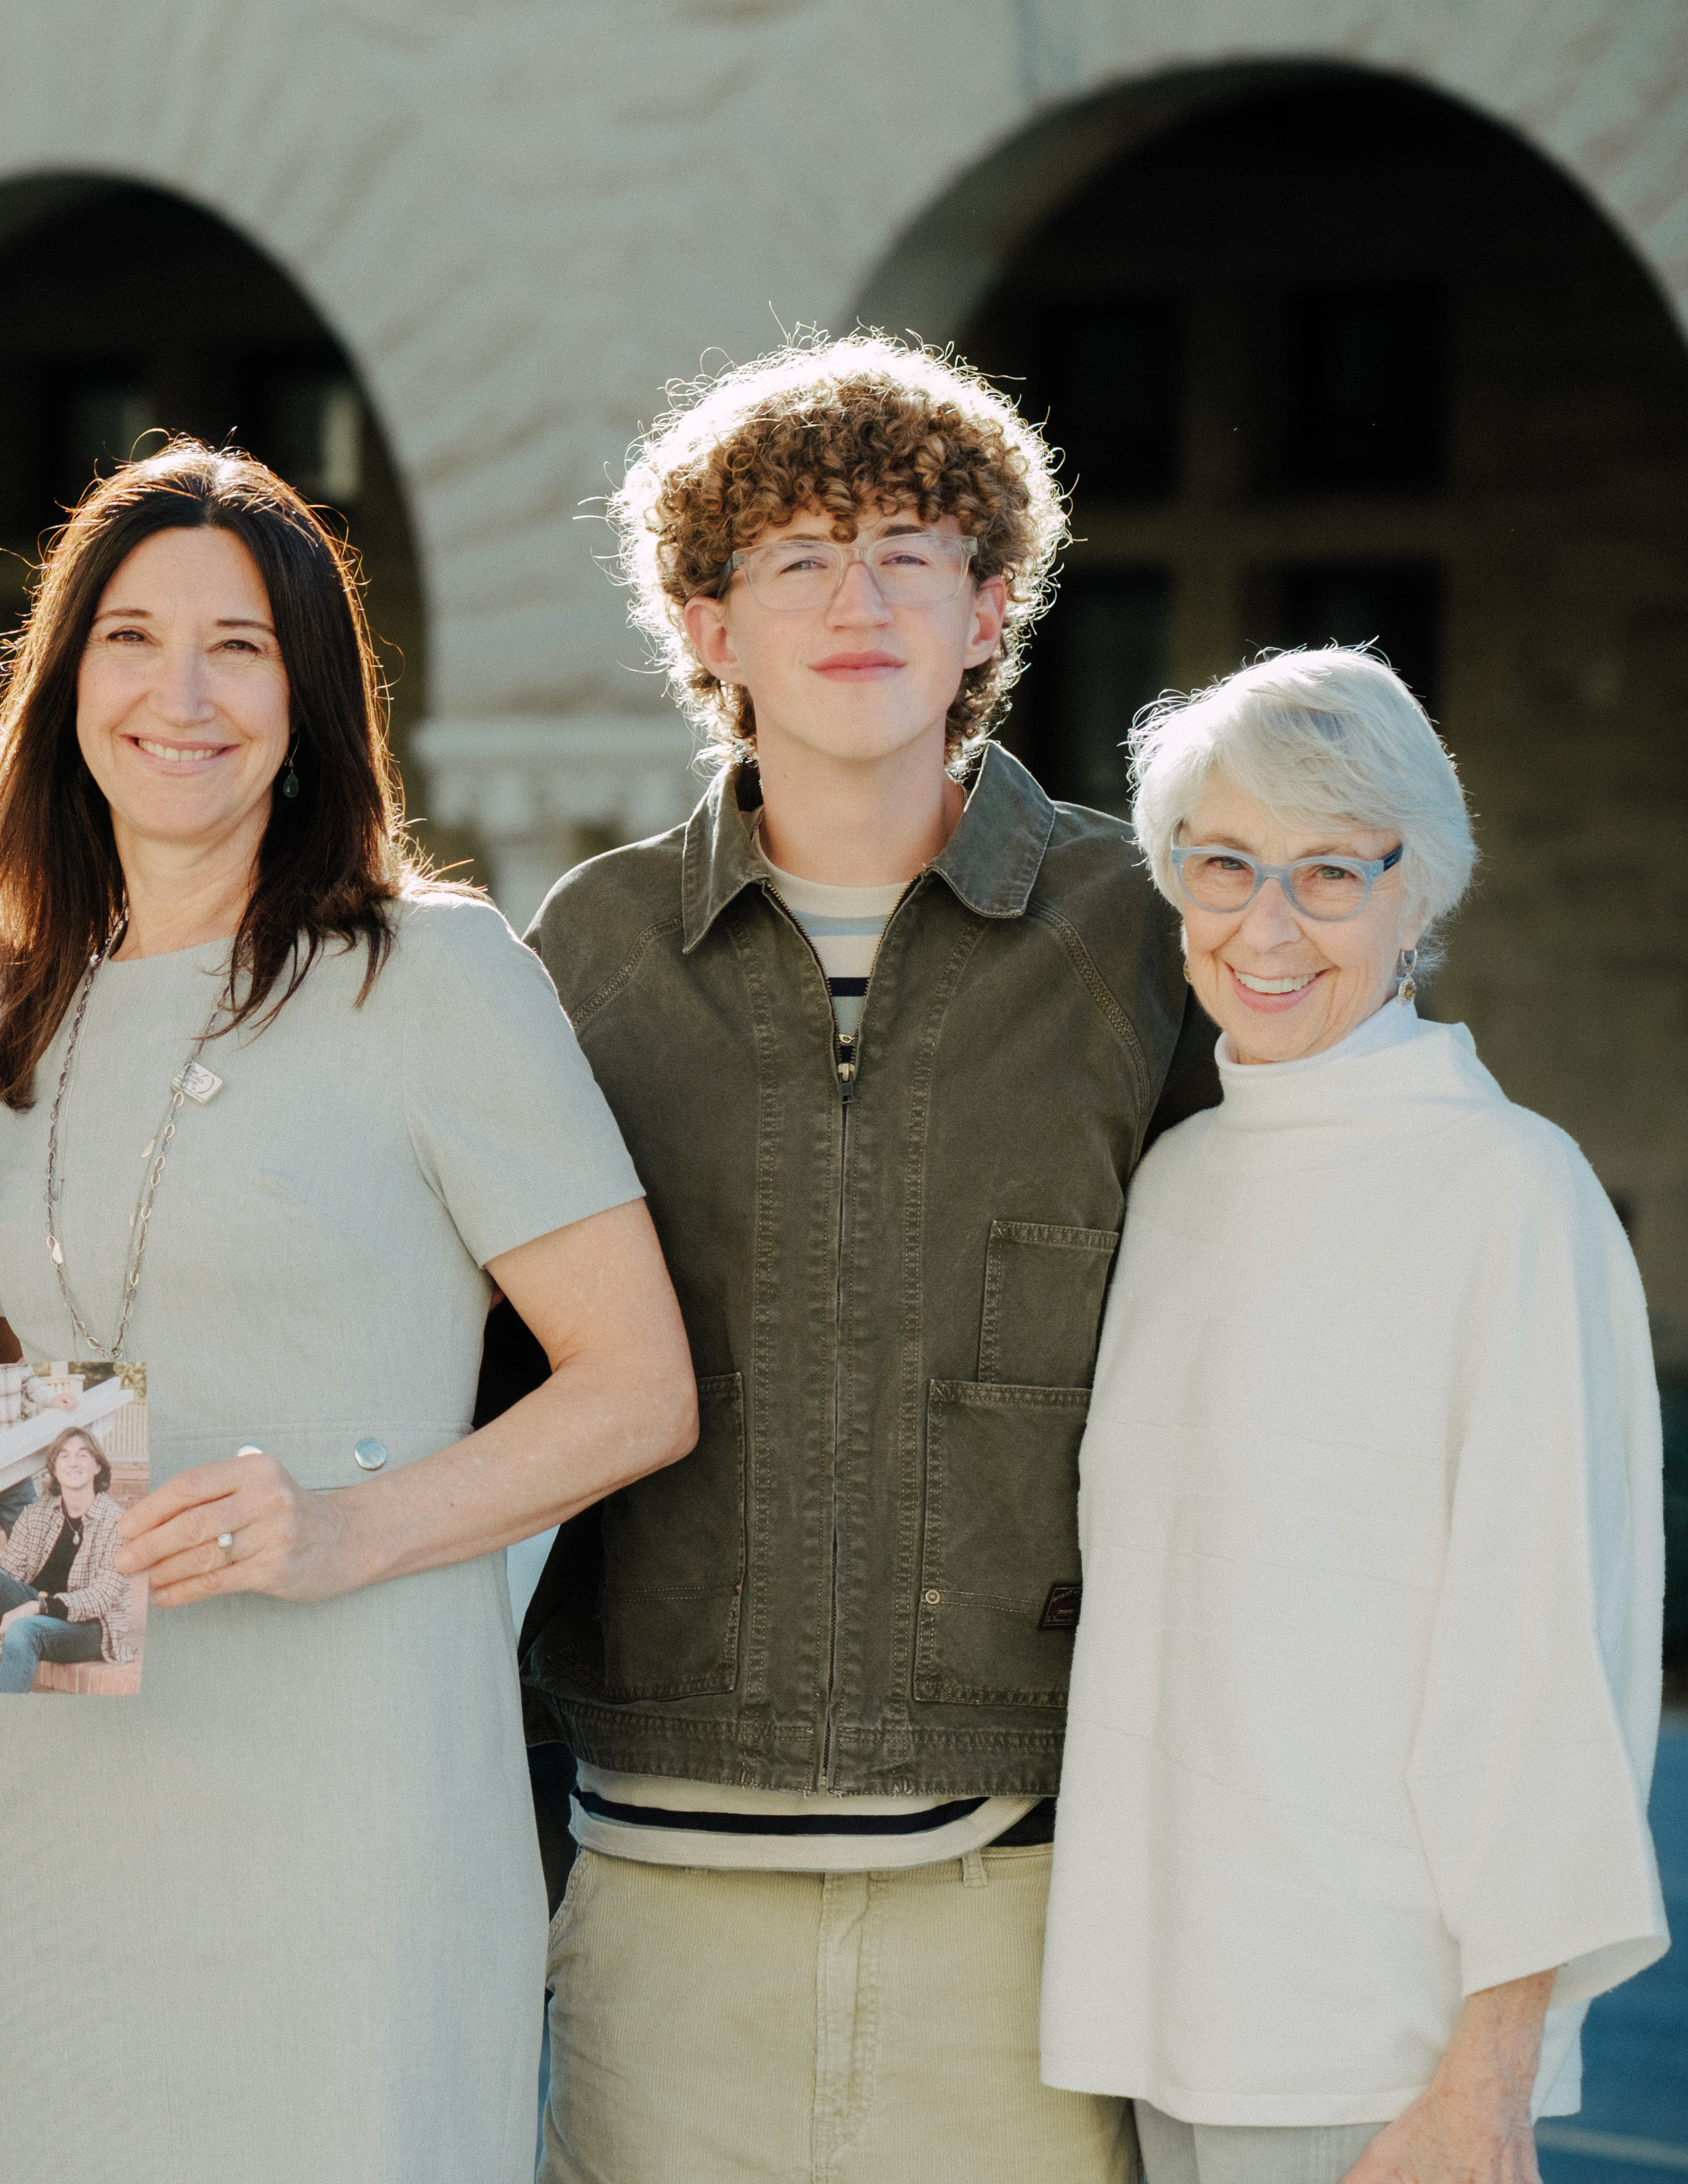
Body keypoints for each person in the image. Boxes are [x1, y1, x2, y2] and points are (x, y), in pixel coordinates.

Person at [0, 442, 699, 2182]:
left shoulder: (430, 977)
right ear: (66, 685)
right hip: (54, 1787)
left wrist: (349, 1528)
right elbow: (26, 1385)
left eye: (242, 646)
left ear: (313, 699)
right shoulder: (12, 1001)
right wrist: (38, 1619)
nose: (182, 695)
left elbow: (641, 1387)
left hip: (351, 1795)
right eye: (132, 639)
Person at [520, 334, 1215, 2183]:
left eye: (910, 550)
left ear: (991, 609)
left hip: (1023, 1894)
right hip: (657, 1903)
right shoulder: (583, 955)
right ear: (707, 623)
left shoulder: (1134, 936)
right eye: (797, 559)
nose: (859, 599)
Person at [1039, 648, 1667, 2184]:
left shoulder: (1506, 1193)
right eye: (1225, 866)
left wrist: (1483, 2081)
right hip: (1159, 2030)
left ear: (1420, 893)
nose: (1266, 925)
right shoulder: (1177, 1180)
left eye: (1330, 874)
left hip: (1374, 2056)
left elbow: (1550, 1663)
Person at [0, 1425, 131, 1692]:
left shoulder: (118, 1522)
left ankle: (4, 1721)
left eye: (83, 1455)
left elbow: (102, 1597)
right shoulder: (35, 1515)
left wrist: (40, 1607)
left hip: (91, 1629)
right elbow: (8, 1575)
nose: (73, 1462)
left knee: (23, 1629)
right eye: (64, 1456)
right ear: (53, 1469)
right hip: (35, 1607)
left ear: (98, 1467)